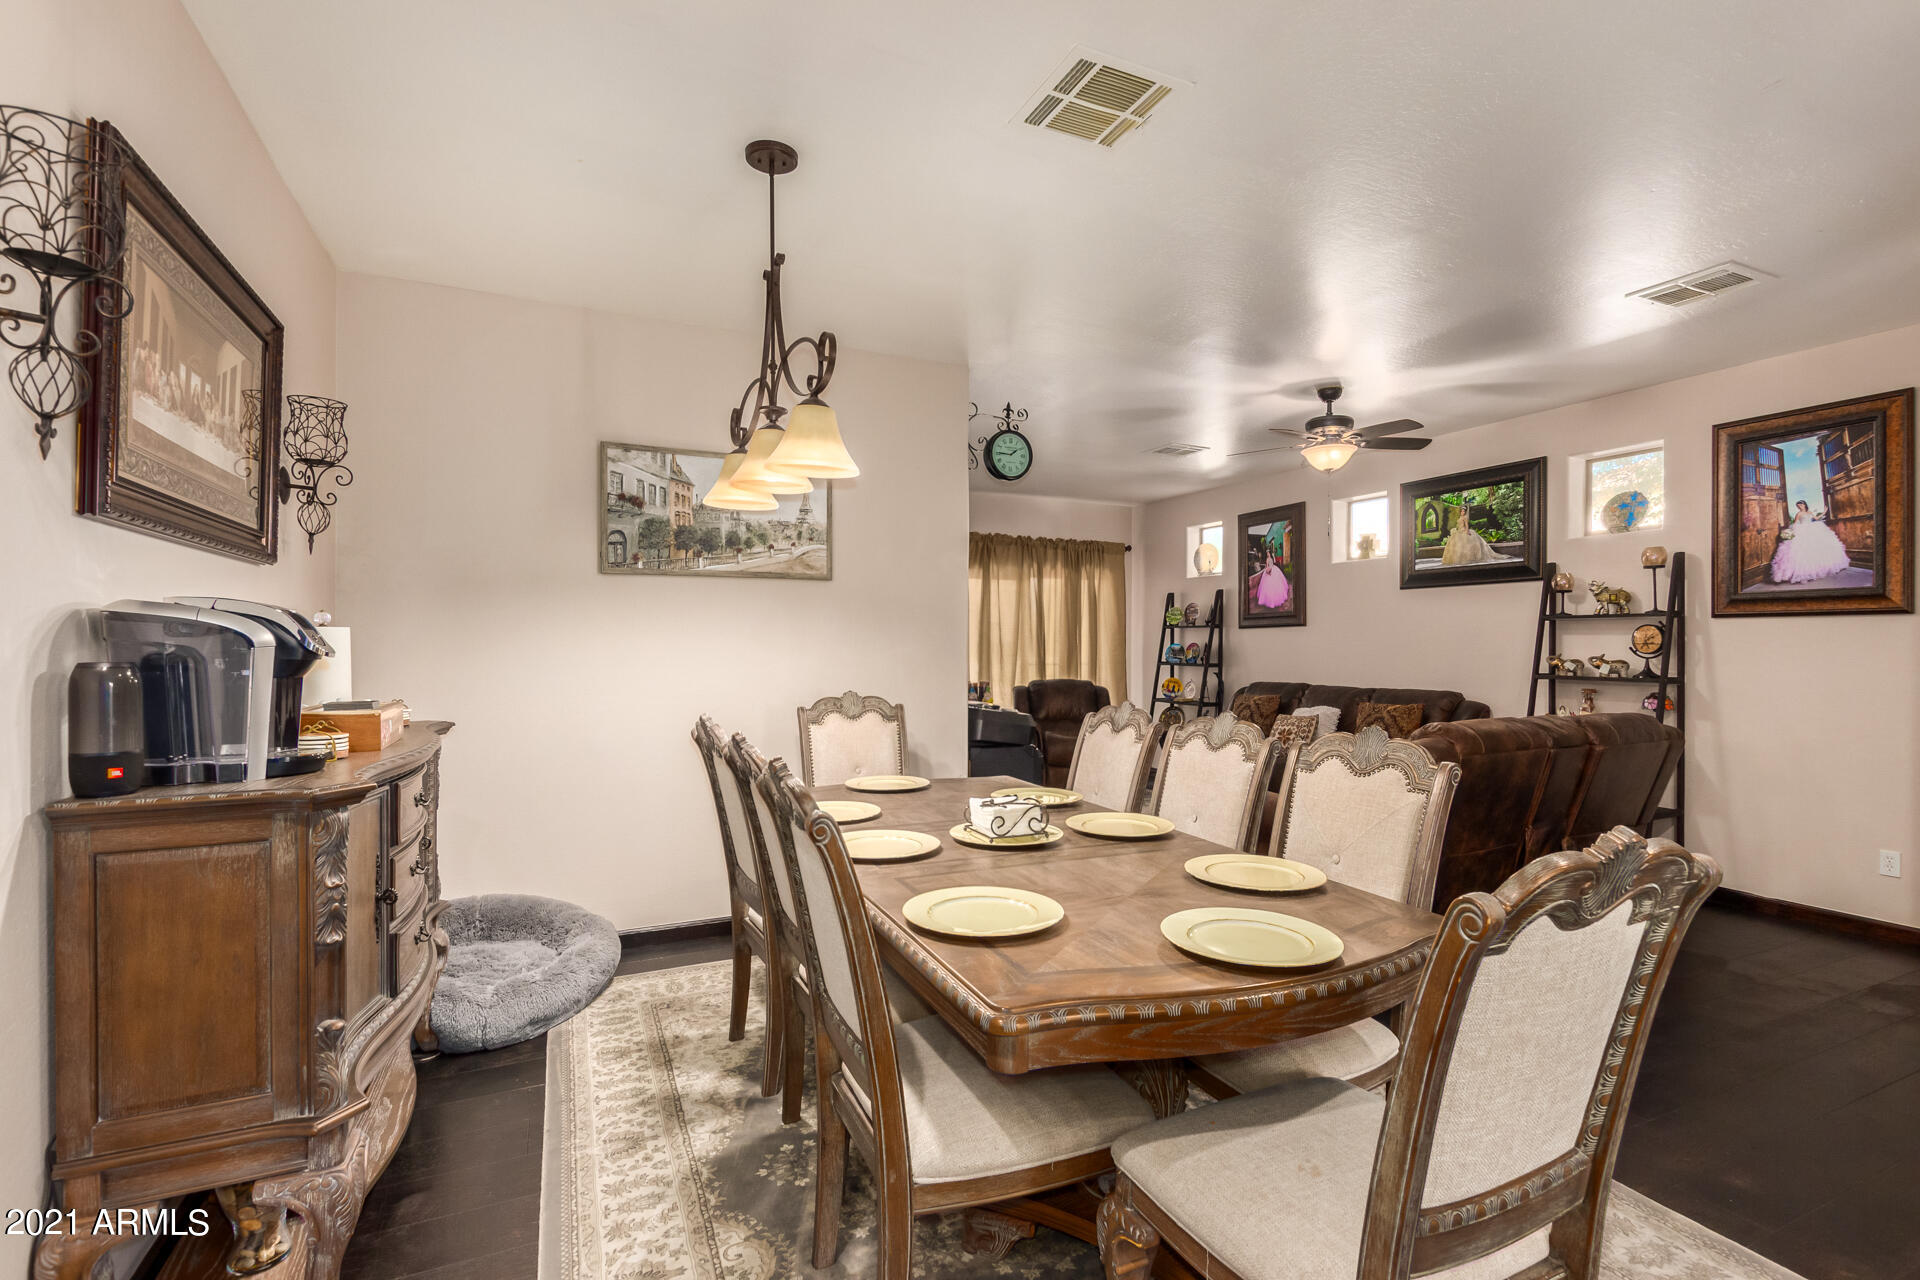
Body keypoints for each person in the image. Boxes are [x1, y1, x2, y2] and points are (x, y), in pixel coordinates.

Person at [1770, 500, 1852, 583]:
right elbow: (1795, 524)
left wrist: (1824, 512)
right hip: (1802, 530)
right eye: (1798, 506)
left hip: (1812, 529)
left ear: (1804, 505)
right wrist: (1791, 532)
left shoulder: (1809, 512)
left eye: (1800, 505)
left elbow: (1816, 518)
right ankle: (1804, 572)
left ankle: (1819, 568)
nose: (1799, 507)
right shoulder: (1799, 514)